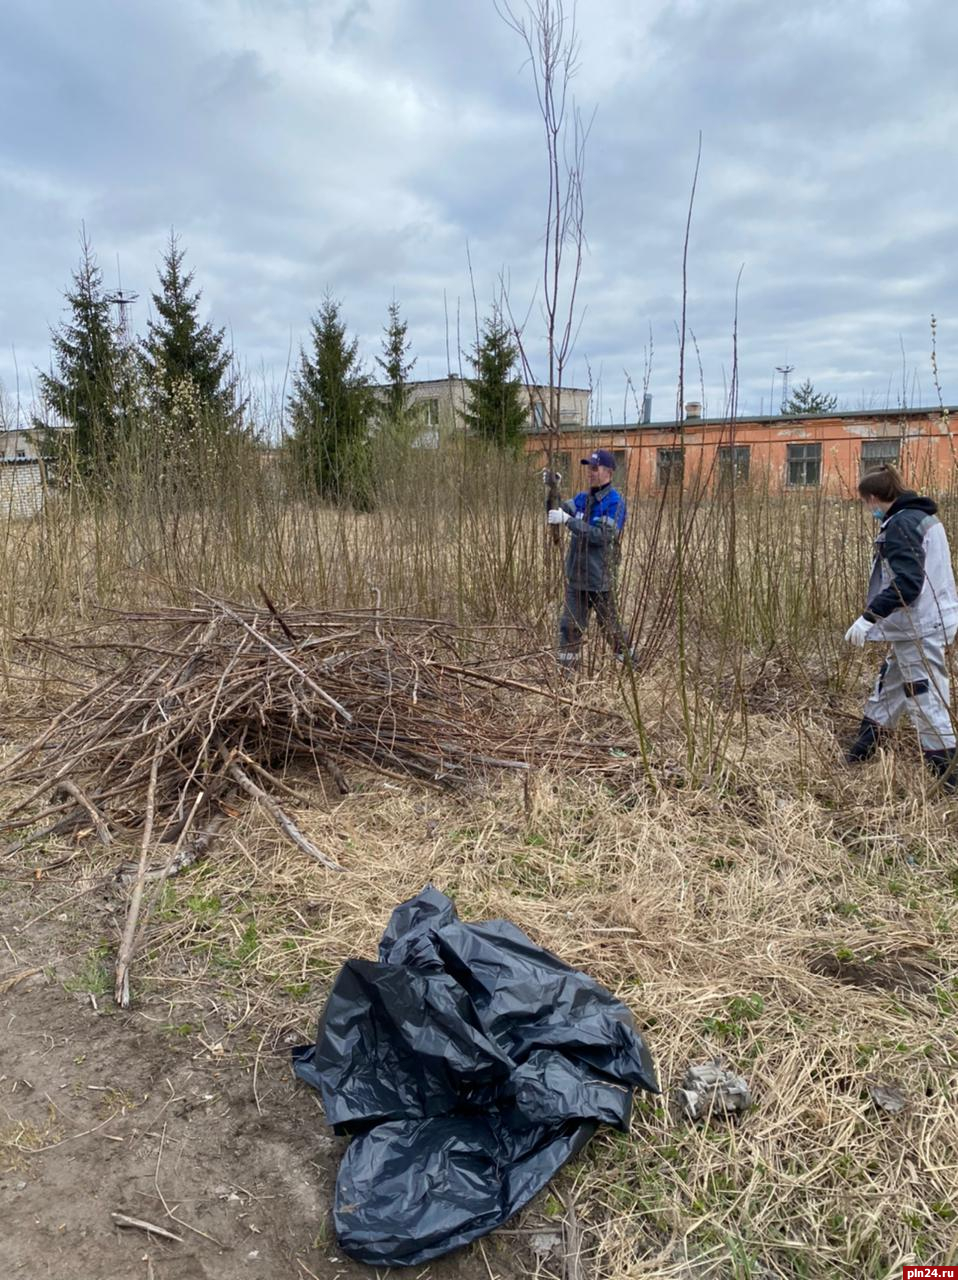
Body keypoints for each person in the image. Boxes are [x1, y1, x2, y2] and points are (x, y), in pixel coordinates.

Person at [844, 464, 958, 784]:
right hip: (922, 623)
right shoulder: (919, 518)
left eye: (867, 503)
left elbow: (907, 585)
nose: (868, 510)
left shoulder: (901, 526)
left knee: (925, 698)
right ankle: (863, 750)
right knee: (890, 685)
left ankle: (948, 775)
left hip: (921, 626)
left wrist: (869, 617)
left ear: (876, 498)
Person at [545, 449, 634, 668]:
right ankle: (567, 679)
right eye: (588, 468)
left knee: (612, 631)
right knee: (569, 628)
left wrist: (568, 521)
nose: (590, 473)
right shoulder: (582, 499)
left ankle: (633, 668)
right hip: (577, 578)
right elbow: (555, 512)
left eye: (595, 468)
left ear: (609, 472)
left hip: (600, 579)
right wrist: (552, 489)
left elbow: (602, 536)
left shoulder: (616, 503)